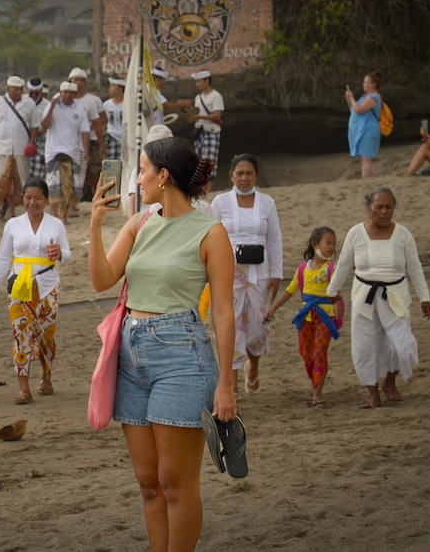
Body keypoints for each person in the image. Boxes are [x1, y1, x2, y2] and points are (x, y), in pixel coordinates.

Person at [88, 136, 236, 552]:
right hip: (131, 356)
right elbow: (102, 280)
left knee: (175, 482)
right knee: (149, 483)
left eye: (142, 170)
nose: (137, 179)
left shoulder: (211, 233)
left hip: (182, 356)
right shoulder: (139, 223)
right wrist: (96, 223)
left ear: (164, 176)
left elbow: (223, 312)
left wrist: (226, 383)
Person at [326, 187, 430, 408]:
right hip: (364, 297)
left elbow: (415, 267)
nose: (384, 212)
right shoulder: (356, 233)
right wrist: (332, 291)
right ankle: (372, 392)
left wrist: (425, 297)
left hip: (396, 296)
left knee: (400, 345)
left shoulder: (403, 234)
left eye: (388, 207)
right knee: (365, 345)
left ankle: (390, 381)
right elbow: (344, 264)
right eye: (379, 207)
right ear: (369, 209)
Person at [0, 179, 70, 404]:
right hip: (19, 287)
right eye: (28, 197)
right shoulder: (13, 224)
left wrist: (59, 252)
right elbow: (4, 256)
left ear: (45, 200)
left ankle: (46, 375)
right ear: (22, 198)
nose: (32, 202)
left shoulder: (56, 224)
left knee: (46, 336)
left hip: (47, 285)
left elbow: (68, 253)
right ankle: (24, 388)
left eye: (37, 198)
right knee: (20, 334)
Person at [211, 154, 283, 395]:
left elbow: (274, 239)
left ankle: (253, 368)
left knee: (257, 329)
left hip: (259, 274)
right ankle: (230, 386)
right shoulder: (220, 202)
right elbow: (210, 237)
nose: (244, 178)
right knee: (230, 326)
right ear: (231, 175)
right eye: (239, 173)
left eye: (248, 173)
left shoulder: (267, 203)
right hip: (228, 274)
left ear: (256, 175)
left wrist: (277, 272)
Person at [265, 227, 341, 406]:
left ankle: (317, 394)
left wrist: (337, 307)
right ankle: (315, 384)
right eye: (328, 243)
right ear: (315, 244)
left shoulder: (332, 269)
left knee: (319, 352)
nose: (332, 247)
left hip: (325, 316)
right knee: (306, 354)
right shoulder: (302, 269)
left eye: (334, 244)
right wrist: (273, 308)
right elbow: (290, 290)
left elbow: (337, 293)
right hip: (305, 317)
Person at [41, 81, 91, 223]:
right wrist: (51, 106)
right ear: (61, 93)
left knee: (70, 186)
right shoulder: (52, 106)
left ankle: (63, 216)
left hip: (72, 152)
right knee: (54, 186)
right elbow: (44, 126)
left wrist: (86, 152)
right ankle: (54, 216)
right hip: (53, 152)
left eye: (70, 93)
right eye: (65, 92)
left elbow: (85, 132)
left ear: (75, 95)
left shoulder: (79, 110)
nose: (67, 95)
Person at [68, 67, 106, 202]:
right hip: (70, 143)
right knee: (73, 173)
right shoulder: (63, 99)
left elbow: (100, 121)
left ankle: (96, 199)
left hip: (92, 140)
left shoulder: (92, 101)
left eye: (82, 80)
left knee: (94, 172)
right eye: (75, 79)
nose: (79, 82)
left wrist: (102, 146)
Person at [345, 69, 384, 179]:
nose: (364, 84)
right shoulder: (365, 97)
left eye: (366, 82)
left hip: (368, 130)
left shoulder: (374, 97)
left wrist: (352, 98)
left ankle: (366, 181)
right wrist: (349, 100)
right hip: (363, 129)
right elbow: (354, 110)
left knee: (366, 159)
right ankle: (369, 180)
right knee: (365, 159)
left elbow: (359, 109)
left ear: (373, 84)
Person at [27, 78, 49, 182]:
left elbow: (47, 125)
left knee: (39, 172)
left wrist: (36, 133)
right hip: (25, 139)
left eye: (36, 94)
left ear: (41, 91)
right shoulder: (23, 101)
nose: (34, 96)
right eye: (31, 93)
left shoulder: (47, 105)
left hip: (41, 141)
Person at [102, 77, 124, 161]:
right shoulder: (106, 105)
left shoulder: (127, 104)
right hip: (112, 137)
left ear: (120, 88)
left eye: (113, 86)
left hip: (125, 138)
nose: (110, 89)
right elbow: (104, 122)